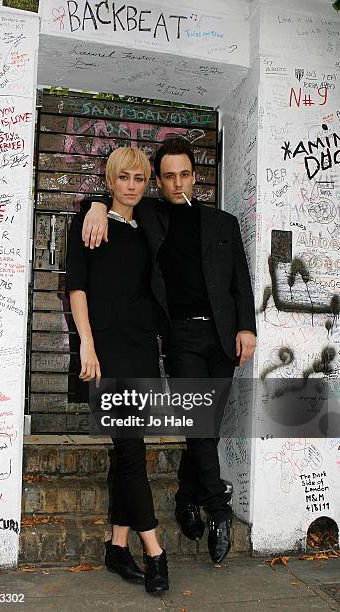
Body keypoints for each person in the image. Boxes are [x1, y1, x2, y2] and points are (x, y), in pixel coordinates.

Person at [81, 138, 257, 564]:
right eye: (168, 176)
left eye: (185, 174)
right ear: (159, 182)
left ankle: (186, 496)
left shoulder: (223, 223)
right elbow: (117, 193)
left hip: (222, 339)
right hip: (180, 340)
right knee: (198, 426)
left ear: (195, 177)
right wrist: (95, 206)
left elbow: (240, 280)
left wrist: (247, 328)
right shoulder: (151, 216)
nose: (177, 183)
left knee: (207, 430)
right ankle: (218, 511)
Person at [66, 147, 169, 594]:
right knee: (130, 451)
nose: (132, 185)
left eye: (140, 178)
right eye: (123, 177)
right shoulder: (90, 221)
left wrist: (97, 200)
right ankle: (156, 552)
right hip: (105, 349)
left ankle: (117, 546)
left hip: (142, 349)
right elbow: (77, 287)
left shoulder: (149, 222)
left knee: (129, 449)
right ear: (111, 179)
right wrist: (87, 345)